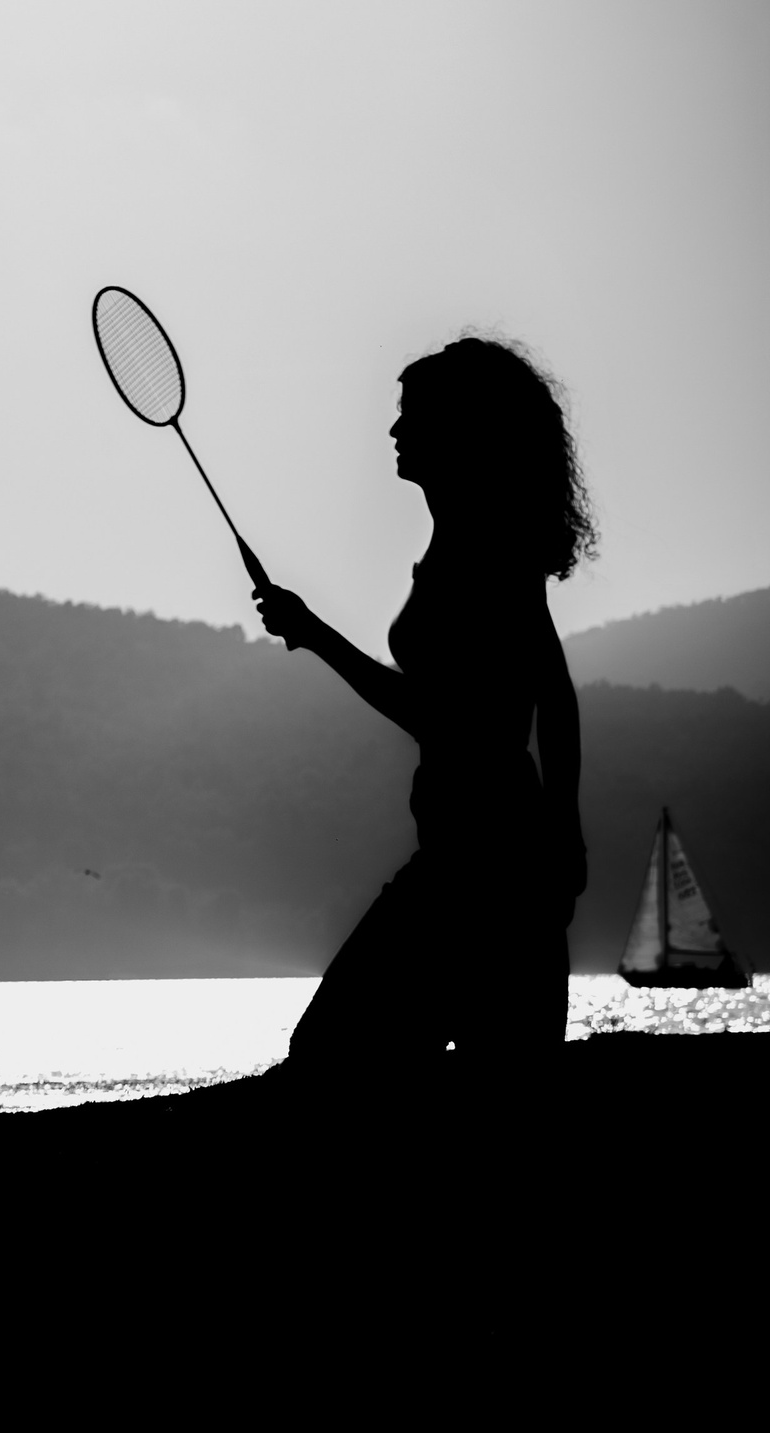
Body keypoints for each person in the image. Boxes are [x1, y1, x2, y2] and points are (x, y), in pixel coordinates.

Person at [254, 337, 593, 1065]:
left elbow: (442, 718)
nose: (396, 430)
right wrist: (564, 832)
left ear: (459, 430)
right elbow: (554, 693)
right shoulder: (480, 543)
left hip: (479, 866)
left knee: (330, 1058)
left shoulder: (481, 552)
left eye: (412, 416)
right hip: (492, 856)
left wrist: (316, 636)